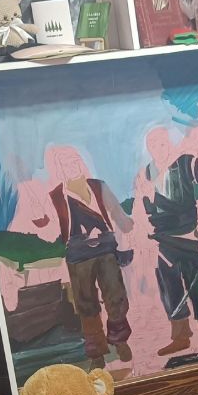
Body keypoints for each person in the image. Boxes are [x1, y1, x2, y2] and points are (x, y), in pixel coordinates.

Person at [41, 146, 135, 368]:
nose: (71, 167)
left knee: (116, 296)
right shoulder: (56, 196)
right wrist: (41, 224)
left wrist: (127, 225)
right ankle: (96, 352)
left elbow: (116, 211)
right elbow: (50, 229)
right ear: (59, 168)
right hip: (78, 254)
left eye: (74, 161)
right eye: (65, 164)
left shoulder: (98, 186)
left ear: (81, 162)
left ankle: (120, 340)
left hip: (106, 249)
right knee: (86, 303)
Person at [136, 127, 198, 356]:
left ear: (169, 143)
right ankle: (181, 336)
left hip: (188, 236)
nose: (158, 149)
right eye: (153, 145)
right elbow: (142, 208)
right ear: (148, 148)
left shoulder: (185, 163)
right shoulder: (145, 174)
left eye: (162, 143)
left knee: (196, 285)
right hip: (162, 239)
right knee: (169, 287)